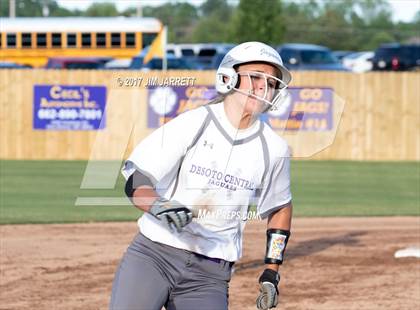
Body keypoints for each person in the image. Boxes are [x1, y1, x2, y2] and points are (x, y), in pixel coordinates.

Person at [110, 41, 293, 310]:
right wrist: (157, 204)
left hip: (210, 274)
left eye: (272, 82)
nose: (263, 87)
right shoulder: (195, 122)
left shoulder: (274, 148)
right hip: (154, 254)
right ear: (228, 77)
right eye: (255, 77)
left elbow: (280, 207)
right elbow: (137, 176)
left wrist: (270, 273)